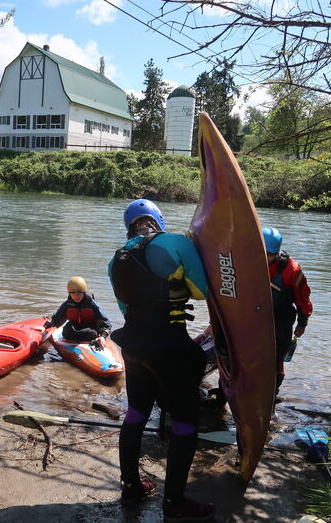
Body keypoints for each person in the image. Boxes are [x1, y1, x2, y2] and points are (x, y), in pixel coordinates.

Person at [108, 198, 215, 521]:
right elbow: (203, 291)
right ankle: (174, 502)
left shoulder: (117, 258)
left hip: (133, 347)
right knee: (185, 423)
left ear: (130, 225)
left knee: (136, 414)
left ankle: (131, 486)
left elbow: (126, 309)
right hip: (170, 346)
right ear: (157, 220)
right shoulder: (176, 242)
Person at [263, 226, 313, 393]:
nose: (264, 258)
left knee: (276, 359)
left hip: (280, 320)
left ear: (276, 253)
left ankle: (271, 398)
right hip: (253, 317)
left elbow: (303, 299)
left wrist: (302, 323)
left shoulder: (292, 270)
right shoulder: (245, 261)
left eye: (269, 255)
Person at [43, 276, 111, 348]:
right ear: (70, 293)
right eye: (73, 293)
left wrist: (103, 336)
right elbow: (56, 318)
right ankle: (77, 340)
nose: (76, 295)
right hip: (75, 329)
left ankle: (88, 340)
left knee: (92, 334)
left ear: (84, 292)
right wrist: (44, 327)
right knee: (66, 331)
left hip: (90, 329)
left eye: (79, 292)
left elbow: (106, 323)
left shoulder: (92, 304)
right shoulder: (67, 304)